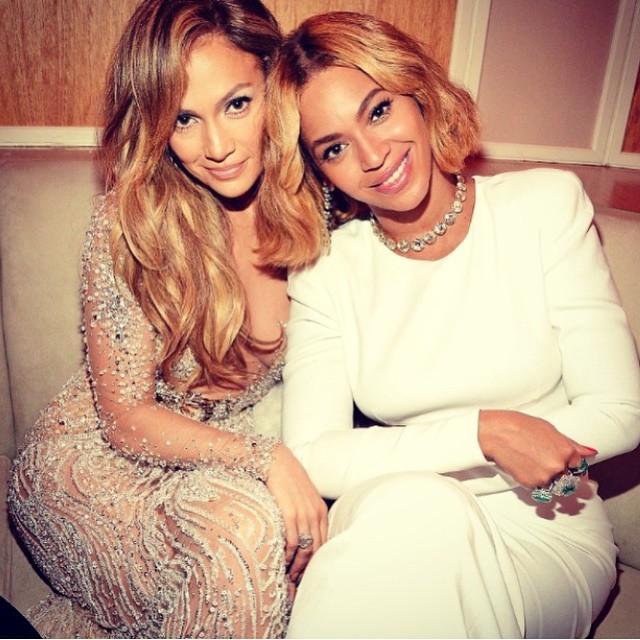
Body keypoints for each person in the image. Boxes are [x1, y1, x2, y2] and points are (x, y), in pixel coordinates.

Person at [257, 11, 640, 639]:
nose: (373, 156)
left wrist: (494, 445)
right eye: (335, 148)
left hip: (545, 526)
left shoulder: (544, 207)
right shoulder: (324, 271)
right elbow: (315, 454)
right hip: (393, 513)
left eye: (379, 111)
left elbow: (621, 408)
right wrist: (484, 434)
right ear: (319, 170)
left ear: (419, 93)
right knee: (417, 508)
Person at [7, 1, 327, 637]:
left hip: (210, 476)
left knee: (259, 536)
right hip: (91, 461)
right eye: (184, 119)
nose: (217, 147)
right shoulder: (133, 219)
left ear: (276, 82)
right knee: (247, 527)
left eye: (237, 104)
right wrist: (268, 459)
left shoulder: (326, 205)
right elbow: (125, 416)